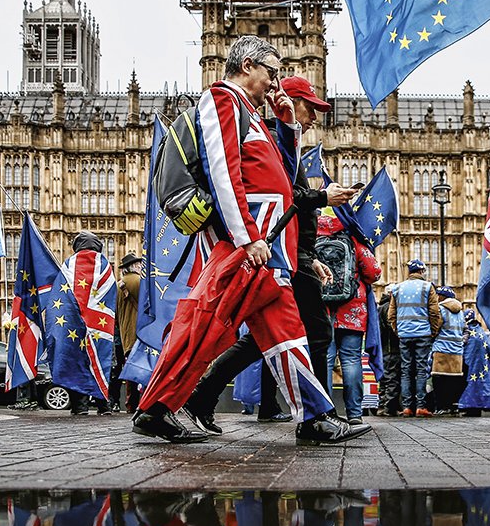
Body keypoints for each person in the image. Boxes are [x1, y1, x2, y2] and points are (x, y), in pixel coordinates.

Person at [132, 36, 370, 446]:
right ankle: (155, 408)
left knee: (284, 332)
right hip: (249, 244)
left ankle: (314, 417)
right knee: (205, 326)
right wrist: (246, 238)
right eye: (271, 72)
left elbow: (283, 176)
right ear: (246, 65)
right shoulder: (222, 100)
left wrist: (289, 125)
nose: (275, 82)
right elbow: (224, 171)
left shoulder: (252, 114)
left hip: (268, 244)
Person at [183, 75, 360, 433]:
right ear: (291, 102)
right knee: (315, 332)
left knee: (262, 338)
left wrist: (308, 254)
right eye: (310, 108)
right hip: (272, 252)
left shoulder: (284, 143)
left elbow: (290, 202)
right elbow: (285, 197)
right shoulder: (268, 140)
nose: (314, 118)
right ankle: (318, 418)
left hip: (290, 253)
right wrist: (325, 197)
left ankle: (202, 397)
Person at [318, 214, 382, 424]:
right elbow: (373, 272)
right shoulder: (353, 239)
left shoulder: (312, 240)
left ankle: (326, 413)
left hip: (322, 309)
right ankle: (354, 414)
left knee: (325, 361)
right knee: (351, 360)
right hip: (352, 310)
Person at [51, 230, 115, 417]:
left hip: (73, 324)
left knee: (76, 361)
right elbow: (111, 295)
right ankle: (104, 406)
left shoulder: (69, 264)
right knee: (99, 360)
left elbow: (60, 295)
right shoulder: (105, 265)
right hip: (100, 324)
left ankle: (80, 406)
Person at [387, 259, 442, 417]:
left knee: (405, 371)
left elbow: (391, 315)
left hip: (404, 335)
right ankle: (420, 406)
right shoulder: (427, 287)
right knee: (421, 370)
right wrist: (433, 331)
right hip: (423, 334)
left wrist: (399, 331)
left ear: (409, 272)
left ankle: (406, 407)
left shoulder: (397, 288)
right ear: (422, 272)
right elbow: (434, 312)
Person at [115, 252, 143, 413]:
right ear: (134, 267)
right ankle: (143, 403)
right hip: (139, 333)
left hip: (126, 334)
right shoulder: (138, 282)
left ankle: (130, 404)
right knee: (143, 369)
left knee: (131, 371)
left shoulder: (120, 284)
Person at [430, 286, 465, 416]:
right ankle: (453, 406)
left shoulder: (440, 309)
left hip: (442, 349)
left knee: (439, 380)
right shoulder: (461, 311)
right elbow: (464, 328)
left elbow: (435, 327)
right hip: (457, 350)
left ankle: (441, 407)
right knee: (453, 380)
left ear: (442, 297)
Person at [376, 286, 401, 417]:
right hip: (392, 348)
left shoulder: (380, 307)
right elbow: (392, 327)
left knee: (384, 378)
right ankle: (389, 408)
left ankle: (381, 406)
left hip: (383, 348)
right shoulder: (388, 308)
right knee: (392, 377)